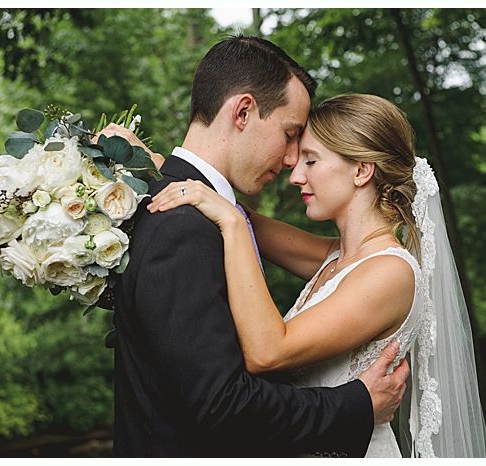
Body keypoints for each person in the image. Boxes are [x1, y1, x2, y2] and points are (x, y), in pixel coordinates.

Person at [132, 93, 486, 457]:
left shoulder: (390, 272)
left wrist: (232, 224)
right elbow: (229, 206)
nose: (295, 175)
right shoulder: (336, 256)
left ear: (361, 170)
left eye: (312, 160)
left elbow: (268, 351)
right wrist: (154, 169)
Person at [106, 35, 409, 457]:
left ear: (362, 170)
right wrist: (356, 405)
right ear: (244, 111)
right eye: (290, 137)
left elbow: (247, 227)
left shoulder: (194, 213)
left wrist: (176, 179)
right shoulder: (184, 226)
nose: (292, 167)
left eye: (309, 158)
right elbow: (222, 402)